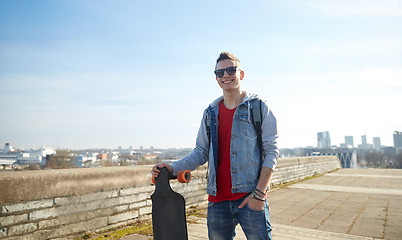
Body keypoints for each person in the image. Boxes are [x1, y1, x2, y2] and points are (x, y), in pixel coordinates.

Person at [151, 52, 279, 240]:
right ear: (216, 78)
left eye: (230, 70)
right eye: (220, 72)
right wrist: (173, 167)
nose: (225, 75)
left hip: (250, 197)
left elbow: (271, 151)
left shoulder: (258, 108)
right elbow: (200, 152)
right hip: (217, 202)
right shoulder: (210, 113)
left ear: (241, 74)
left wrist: (259, 195)